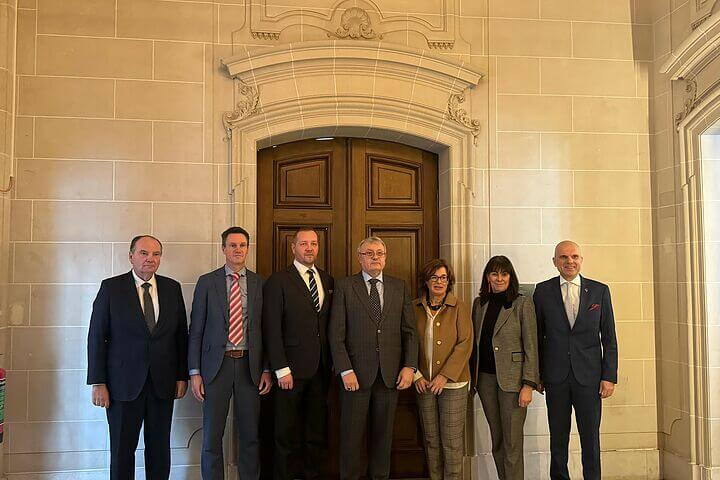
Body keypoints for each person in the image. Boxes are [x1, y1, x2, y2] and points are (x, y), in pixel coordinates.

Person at [87, 235, 188, 480]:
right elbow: (97, 337)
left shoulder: (172, 288)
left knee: (159, 450)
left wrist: (181, 376)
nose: (150, 259)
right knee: (122, 451)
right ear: (131, 256)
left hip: (162, 384)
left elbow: (180, 336)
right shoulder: (111, 288)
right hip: (122, 385)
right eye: (143, 253)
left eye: (155, 254)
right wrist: (98, 382)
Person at [328, 236, 418, 480]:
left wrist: (409, 367)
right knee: (351, 439)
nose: (375, 257)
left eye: (379, 253)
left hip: (390, 377)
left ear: (386, 258)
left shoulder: (399, 287)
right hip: (355, 377)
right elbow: (335, 335)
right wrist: (345, 370)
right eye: (369, 253)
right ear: (360, 258)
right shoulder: (345, 287)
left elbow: (410, 332)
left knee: (383, 439)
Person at [188, 226, 272, 480]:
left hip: (250, 366)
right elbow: (196, 330)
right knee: (212, 435)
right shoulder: (207, 282)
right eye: (232, 245)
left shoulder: (259, 283)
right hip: (216, 368)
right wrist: (195, 372)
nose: (238, 250)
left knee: (250, 435)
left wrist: (266, 368)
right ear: (223, 248)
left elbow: (265, 330)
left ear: (247, 248)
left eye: (242, 245)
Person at [534, 240, 618, 480]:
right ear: (554, 262)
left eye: (574, 257)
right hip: (555, 377)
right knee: (558, 437)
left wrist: (608, 376)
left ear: (581, 260)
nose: (569, 261)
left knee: (590, 437)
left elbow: (609, 338)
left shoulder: (600, 291)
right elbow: (537, 336)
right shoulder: (543, 291)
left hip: (589, 379)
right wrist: (538, 375)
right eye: (563, 257)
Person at [262, 227, 334, 480]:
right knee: (286, 434)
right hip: (289, 372)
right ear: (293, 248)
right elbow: (271, 328)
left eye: (314, 243)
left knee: (315, 433)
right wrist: (280, 368)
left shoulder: (326, 279)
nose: (309, 248)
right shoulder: (278, 281)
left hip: (321, 370)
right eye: (304, 244)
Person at [469, 255, 539, 480]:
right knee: (497, 440)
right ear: (487, 277)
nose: (499, 278)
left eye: (504, 274)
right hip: (486, 380)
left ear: (511, 277)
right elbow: (474, 345)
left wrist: (529, 384)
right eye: (494, 273)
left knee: (512, 443)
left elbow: (531, 346)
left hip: (514, 382)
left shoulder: (522, 303)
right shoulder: (479, 304)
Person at [412, 259, 473, 480]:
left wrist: (444, 376)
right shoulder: (413, 307)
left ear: (449, 282)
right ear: (426, 281)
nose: (439, 282)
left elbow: (465, 343)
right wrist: (415, 373)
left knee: (452, 442)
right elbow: (407, 342)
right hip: (423, 383)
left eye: (444, 278)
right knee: (431, 440)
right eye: (434, 277)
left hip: (453, 384)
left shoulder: (460, 307)